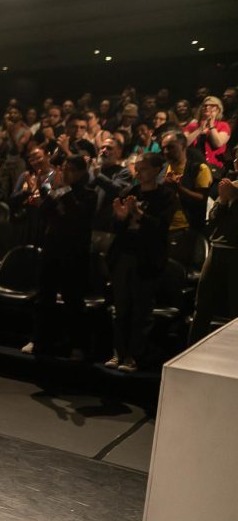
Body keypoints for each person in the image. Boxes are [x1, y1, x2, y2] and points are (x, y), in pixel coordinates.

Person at [106, 154, 175, 373]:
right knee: (121, 306)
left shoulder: (166, 195)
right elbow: (118, 228)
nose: (139, 172)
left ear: (157, 170)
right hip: (125, 254)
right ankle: (118, 352)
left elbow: (161, 227)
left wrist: (139, 215)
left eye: (144, 168)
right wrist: (120, 217)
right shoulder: (130, 193)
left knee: (141, 308)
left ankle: (134, 355)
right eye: (137, 168)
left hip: (147, 257)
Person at [24, 155, 96, 358]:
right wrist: (51, 193)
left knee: (73, 300)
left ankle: (78, 345)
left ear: (81, 172)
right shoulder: (58, 192)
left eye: (71, 170)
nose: (65, 173)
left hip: (74, 253)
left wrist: (63, 190)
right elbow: (44, 213)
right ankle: (39, 340)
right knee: (44, 297)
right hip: (52, 249)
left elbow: (77, 215)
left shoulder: (89, 195)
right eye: (64, 169)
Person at [189, 175, 238, 344]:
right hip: (217, 249)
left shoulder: (233, 189)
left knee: (235, 311)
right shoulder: (230, 186)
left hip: (235, 253)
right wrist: (223, 199)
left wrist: (233, 197)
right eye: (236, 157)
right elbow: (213, 218)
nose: (236, 162)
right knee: (202, 306)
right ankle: (191, 352)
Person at [183, 95, 231, 179]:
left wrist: (211, 125)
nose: (207, 107)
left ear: (218, 109)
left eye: (212, 105)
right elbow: (183, 144)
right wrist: (200, 129)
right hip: (193, 166)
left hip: (214, 168)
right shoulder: (192, 126)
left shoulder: (223, 125)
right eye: (205, 105)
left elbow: (218, 143)